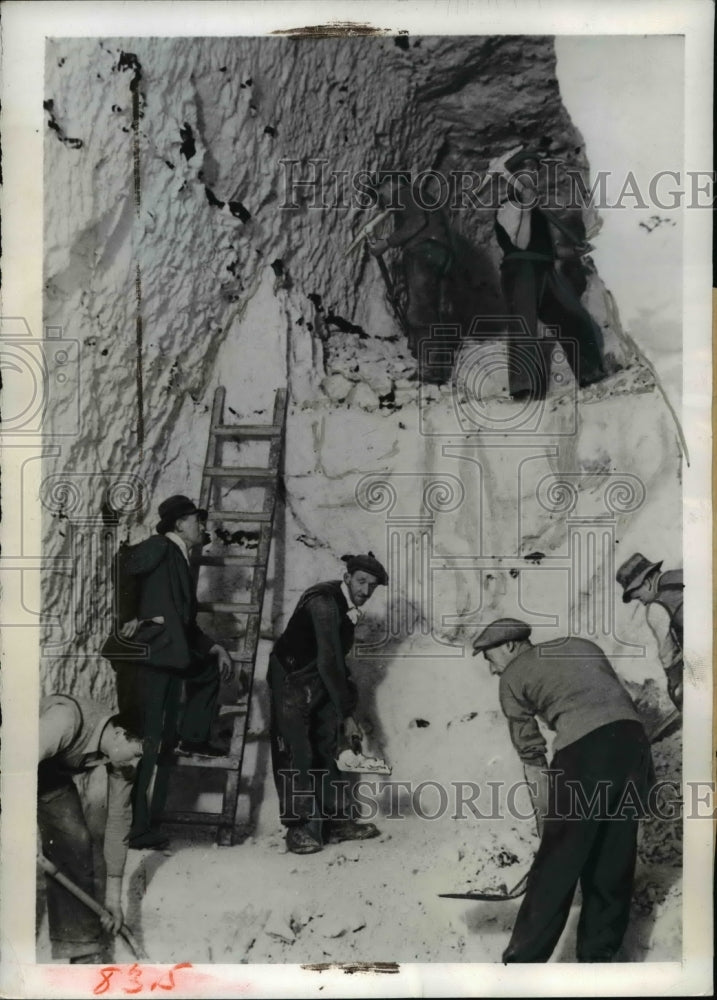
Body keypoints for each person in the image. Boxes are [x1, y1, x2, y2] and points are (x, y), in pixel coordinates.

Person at [471, 618, 653, 963]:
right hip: (634, 745)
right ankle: (597, 959)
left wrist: (548, 825)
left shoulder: (513, 676)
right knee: (612, 858)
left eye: (488, 657)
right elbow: (617, 705)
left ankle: (522, 964)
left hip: (585, 752)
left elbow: (532, 755)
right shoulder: (582, 644)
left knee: (557, 864)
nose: (492, 669)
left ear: (510, 646)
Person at [103, 494, 233, 850]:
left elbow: (182, 622)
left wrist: (213, 647)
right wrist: (127, 616)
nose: (202, 526)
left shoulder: (178, 555)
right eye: (196, 520)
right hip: (147, 660)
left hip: (166, 656)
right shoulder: (161, 546)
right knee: (144, 741)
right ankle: (137, 828)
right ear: (179, 524)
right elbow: (122, 566)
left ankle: (193, 736)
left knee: (205, 674)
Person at [268, 552, 388, 854]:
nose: (365, 591)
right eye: (361, 582)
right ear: (347, 578)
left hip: (318, 677)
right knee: (297, 752)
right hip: (292, 679)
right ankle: (298, 829)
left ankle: (337, 821)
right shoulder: (324, 604)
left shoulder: (344, 606)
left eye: (372, 586)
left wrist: (343, 706)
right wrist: (348, 713)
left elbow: (333, 661)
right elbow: (329, 660)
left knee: (329, 744)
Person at [492, 146, 608, 400]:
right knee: (524, 326)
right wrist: (524, 207)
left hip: (544, 269)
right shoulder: (508, 208)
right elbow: (521, 244)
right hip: (520, 272)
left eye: (535, 171)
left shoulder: (537, 212)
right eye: (526, 171)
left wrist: (575, 251)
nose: (532, 176)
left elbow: (549, 251)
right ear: (513, 177)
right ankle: (524, 388)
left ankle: (590, 374)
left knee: (574, 319)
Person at [37, 693, 143, 963]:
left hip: (49, 775)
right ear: (119, 734)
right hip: (19, 764)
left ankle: (80, 949)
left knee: (76, 841)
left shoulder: (121, 759)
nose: (136, 764)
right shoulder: (65, 721)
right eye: (136, 754)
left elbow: (118, 824)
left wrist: (113, 900)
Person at [369, 174, 455, 383]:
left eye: (382, 194)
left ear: (390, 184)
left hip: (424, 251)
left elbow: (418, 221)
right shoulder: (421, 196)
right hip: (440, 253)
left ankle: (430, 371)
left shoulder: (404, 193)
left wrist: (386, 243)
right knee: (433, 310)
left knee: (420, 311)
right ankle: (438, 368)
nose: (384, 200)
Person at [617, 552, 684, 710]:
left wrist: (675, 689)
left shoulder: (656, 607)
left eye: (638, 596)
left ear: (646, 581)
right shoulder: (680, 575)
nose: (640, 601)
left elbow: (668, 655)